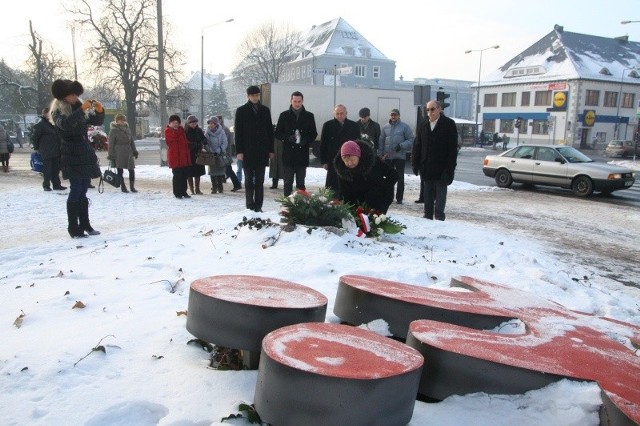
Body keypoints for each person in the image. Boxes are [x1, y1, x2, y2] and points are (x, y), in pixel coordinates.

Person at [49, 79, 104, 238]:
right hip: (70, 154)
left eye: (76, 95)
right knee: (76, 189)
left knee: (83, 189)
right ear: (64, 96)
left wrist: (99, 111)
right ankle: (74, 227)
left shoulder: (78, 107)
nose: (75, 97)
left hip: (83, 152)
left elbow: (95, 121)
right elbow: (65, 125)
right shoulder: (58, 111)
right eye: (72, 94)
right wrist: (81, 110)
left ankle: (85, 224)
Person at [411, 100, 458, 221]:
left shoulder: (448, 124)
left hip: (442, 167)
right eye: (427, 109)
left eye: (432, 109)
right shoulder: (423, 124)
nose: (429, 112)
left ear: (439, 109)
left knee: (441, 193)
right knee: (427, 193)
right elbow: (417, 145)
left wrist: (450, 169)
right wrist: (415, 164)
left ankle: (439, 216)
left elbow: (452, 149)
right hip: (426, 166)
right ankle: (427, 215)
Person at [234, 85, 274, 212]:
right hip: (247, 151)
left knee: (260, 181)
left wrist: (271, 149)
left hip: (262, 151)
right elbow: (238, 133)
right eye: (253, 95)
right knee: (249, 180)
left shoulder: (265, 110)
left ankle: (258, 205)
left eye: (257, 95)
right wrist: (239, 151)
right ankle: (249, 204)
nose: (255, 97)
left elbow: (269, 131)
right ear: (248, 96)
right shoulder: (241, 111)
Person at [334, 140, 397, 214]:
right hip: (359, 203)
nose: (350, 163)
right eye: (346, 161)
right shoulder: (343, 171)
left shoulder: (373, 161)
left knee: (375, 222)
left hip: (379, 198)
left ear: (358, 155)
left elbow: (393, 175)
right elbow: (344, 193)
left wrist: (382, 187)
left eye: (352, 160)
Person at [274, 91, 318, 197]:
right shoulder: (284, 115)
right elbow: (277, 133)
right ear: (291, 101)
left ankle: (300, 207)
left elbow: (314, 133)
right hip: (288, 155)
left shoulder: (309, 116)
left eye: (299, 101)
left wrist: (306, 140)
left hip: (302, 155)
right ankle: (287, 206)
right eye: (295, 101)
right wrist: (288, 138)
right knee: (288, 183)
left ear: (302, 101)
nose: (297, 104)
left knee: (301, 184)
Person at [319, 104, 360, 199]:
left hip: (349, 161)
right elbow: (323, 144)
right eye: (337, 113)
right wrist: (324, 161)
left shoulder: (354, 126)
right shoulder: (328, 125)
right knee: (332, 187)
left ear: (346, 113)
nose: (339, 116)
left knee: (347, 185)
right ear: (334, 114)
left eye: (342, 113)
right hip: (332, 159)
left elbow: (358, 144)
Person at [378, 108, 414, 204]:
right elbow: (381, 141)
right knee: (388, 178)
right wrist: (380, 154)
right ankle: (388, 196)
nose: (393, 117)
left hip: (400, 157)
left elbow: (411, 139)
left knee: (400, 178)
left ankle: (399, 198)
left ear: (399, 116)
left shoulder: (405, 127)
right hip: (387, 157)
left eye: (395, 115)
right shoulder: (385, 127)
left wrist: (402, 145)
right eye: (392, 115)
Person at [30, 108, 66, 191]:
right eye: (48, 113)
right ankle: (46, 185)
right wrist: (37, 148)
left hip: (56, 150)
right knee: (47, 169)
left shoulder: (53, 124)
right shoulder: (41, 125)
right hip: (46, 150)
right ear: (44, 114)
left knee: (56, 169)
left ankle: (57, 185)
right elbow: (35, 137)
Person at [107, 113, 138, 193]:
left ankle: (132, 187)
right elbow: (111, 144)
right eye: (121, 120)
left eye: (124, 120)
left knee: (131, 169)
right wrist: (111, 155)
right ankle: (123, 187)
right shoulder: (113, 130)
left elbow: (131, 141)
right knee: (120, 170)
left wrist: (134, 151)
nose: (123, 121)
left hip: (128, 151)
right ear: (117, 121)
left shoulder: (127, 129)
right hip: (119, 152)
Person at [164, 114, 192, 199]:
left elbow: (185, 142)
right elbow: (172, 139)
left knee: (184, 176)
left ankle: (184, 191)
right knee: (177, 176)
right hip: (175, 156)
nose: (175, 124)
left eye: (177, 123)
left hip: (183, 156)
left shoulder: (182, 131)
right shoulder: (168, 131)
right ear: (170, 123)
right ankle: (177, 192)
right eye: (173, 123)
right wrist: (178, 131)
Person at [216, 114, 241, 192]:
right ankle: (220, 183)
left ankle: (236, 184)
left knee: (228, 169)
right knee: (224, 169)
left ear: (221, 120)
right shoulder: (220, 128)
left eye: (218, 120)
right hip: (222, 152)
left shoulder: (224, 129)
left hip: (225, 153)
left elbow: (225, 142)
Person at [203, 116, 228, 194]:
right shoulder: (207, 132)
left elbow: (225, 142)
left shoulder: (222, 132)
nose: (211, 125)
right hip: (211, 155)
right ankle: (214, 187)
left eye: (212, 123)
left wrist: (219, 150)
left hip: (220, 154)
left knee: (220, 171)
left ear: (216, 124)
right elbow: (205, 143)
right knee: (212, 172)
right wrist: (210, 150)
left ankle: (220, 187)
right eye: (209, 123)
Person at [184, 115, 206, 195]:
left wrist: (203, 141)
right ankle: (191, 189)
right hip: (189, 154)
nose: (194, 124)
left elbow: (203, 138)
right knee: (189, 173)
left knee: (198, 173)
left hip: (198, 154)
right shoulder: (185, 131)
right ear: (188, 123)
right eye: (192, 123)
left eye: (195, 123)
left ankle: (197, 189)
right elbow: (185, 142)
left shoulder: (199, 130)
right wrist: (193, 145)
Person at [268, 125, 284, 189]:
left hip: (280, 153)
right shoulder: (272, 136)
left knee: (281, 168)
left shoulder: (280, 135)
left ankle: (284, 184)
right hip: (275, 153)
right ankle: (274, 184)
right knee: (274, 168)